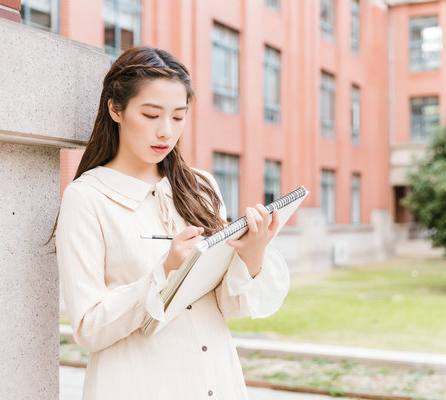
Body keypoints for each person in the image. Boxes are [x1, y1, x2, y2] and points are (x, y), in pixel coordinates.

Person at [54, 45, 290, 399]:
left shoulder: (201, 187)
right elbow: (89, 328)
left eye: (178, 117)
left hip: (217, 383)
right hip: (138, 386)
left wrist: (252, 254)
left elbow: (229, 307)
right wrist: (163, 271)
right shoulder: (87, 197)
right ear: (115, 109)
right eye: (151, 115)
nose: (166, 131)